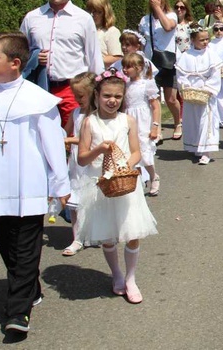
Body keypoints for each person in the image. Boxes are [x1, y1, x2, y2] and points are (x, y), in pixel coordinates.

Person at [0, 32, 71, 335]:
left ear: (15, 63)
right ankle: (30, 288)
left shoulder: (38, 100)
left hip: (30, 185)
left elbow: (52, 144)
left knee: (25, 248)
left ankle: (18, 313)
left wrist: (60, 186)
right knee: (5, 244)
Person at [76, 68, 158, 305]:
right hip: (101, 185)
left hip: (125, 183)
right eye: (106, 96)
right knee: (109, 235)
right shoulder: (90, 122)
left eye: (118, 97)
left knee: (132, 233)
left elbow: (135, 152)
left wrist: (122, 167)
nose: (112, 101)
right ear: (97, 96)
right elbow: (82, 159)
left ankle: (131, 278)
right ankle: (117, 274)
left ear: (123, 98)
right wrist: (98, 150)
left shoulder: (127, 120)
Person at [20, 0, 104, 125]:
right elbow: (19, 51)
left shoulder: (83, 19)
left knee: (74, 137)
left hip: (72, 88)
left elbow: (93, 55)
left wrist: (97, 88)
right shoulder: (32, 18)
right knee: (41, 134)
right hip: (40, 87)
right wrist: (34, 57)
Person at [62, 72, 96, 257]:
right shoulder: (76, 113)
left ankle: (92, 232)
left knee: (91, 199)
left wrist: (70, 140)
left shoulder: (96, 116)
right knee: (75, 201)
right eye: (75, 95)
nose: (77, 99)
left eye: (81, 96)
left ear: (92, 93)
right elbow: (66, 131)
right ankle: (77, 238)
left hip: (90, 161)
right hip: (76, 163)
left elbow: (91, 140)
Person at [138, 0, 181, 140]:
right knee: (154, 98)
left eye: (159, 1)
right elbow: (142, 41)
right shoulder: (145, 20)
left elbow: (168, 27)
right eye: (153, 1)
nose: (155, 3)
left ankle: (177, 123)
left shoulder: (171, 15)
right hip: (151, 62)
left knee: (170, 99)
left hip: (168, 62)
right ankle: (157, 128)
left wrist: (158, 9)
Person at [176, 27, 221, 165]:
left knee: (206, 122)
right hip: (191, 93)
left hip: (205, 93)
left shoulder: (211, 55)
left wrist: (207, 89)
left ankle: (206, 152)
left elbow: (215, 75)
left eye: (207, 39)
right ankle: (196, 146)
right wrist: (187, 86)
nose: (205, 42)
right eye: (201, 40)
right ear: (193, 40)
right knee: (192, 121)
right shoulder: (186, 55)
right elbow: (181, 75)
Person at [121, 53, 161, 194]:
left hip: (143, 121)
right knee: (132, 151)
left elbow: (155, 107)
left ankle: (153, 176)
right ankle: (138, 181)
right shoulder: (125, 84)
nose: (125, 70)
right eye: (123, 67)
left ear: (138, 68)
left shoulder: (147, 84)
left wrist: (155, 126)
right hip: (129, 119)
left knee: (145, 151)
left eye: (128, 67)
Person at [87, 0, 123, 67]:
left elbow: (117, 58)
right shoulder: (86, 29)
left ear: (105, 13)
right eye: (91, 11)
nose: (93, 15)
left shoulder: (112, 31)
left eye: (97, 12)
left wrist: (91, 60)